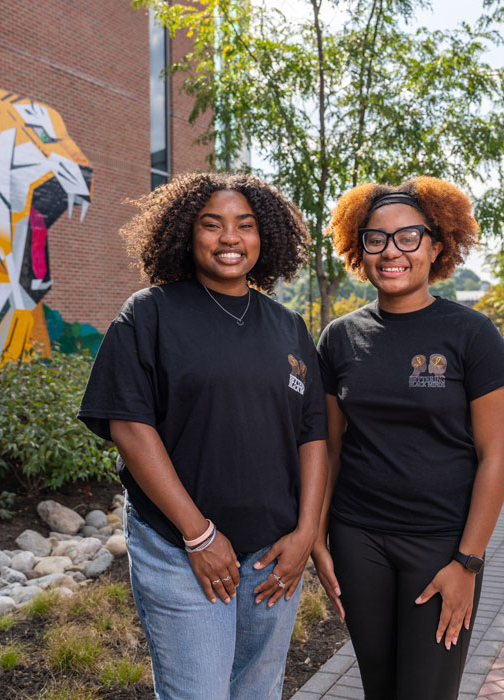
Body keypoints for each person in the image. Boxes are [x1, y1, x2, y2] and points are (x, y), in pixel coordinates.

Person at [78, 172, 328, 700]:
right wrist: (200, 535)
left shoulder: (289, 327)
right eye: (211, 225)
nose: (230, 238)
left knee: (257, 691)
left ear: (267, 237)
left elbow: (312, 434)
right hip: (179, 545)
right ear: (186, 235)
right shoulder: (149, 314)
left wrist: (306, 533)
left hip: (273, 550)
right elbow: (128, 424)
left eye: (246, 225)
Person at [312, 177, 504, 700]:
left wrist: (468, 562)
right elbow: (331, 451)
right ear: (359, 250)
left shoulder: (472, 334)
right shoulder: (339, 337)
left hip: (441, 544)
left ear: (436, 244)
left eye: (408, 236)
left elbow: (496, 456)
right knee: (380, 689)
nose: (391, 251)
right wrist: (317, 536)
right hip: (359, 542)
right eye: (375, 238)